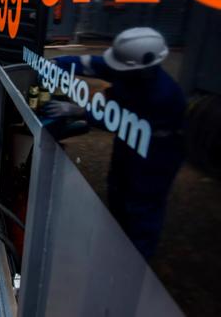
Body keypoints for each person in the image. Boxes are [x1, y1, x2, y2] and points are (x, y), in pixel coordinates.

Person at [43, 28, 186, 259]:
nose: (115, 70)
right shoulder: (130, 68)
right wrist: (56, 62)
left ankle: (135, 261)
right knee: (118, 187)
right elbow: (92, 64)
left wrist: (79, 110)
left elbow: (118, 118)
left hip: (157, 153)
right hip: (128, 144)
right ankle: (116, 240)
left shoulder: (162, 95)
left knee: (142, 206)